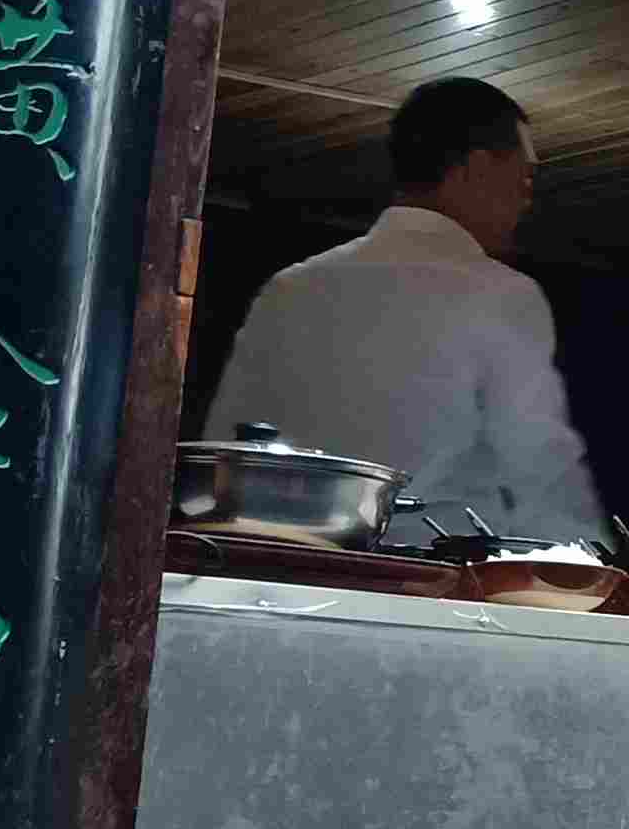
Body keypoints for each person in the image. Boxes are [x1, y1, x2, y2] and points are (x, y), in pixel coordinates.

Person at [206, 75, 605, 544]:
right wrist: (590, 565)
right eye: (524, 177)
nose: (526, 198)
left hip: (282, 564)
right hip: (431, 572)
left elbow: (225, 451)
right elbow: (541, 469)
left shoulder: (288, 289)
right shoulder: (502, 295)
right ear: (476, 169)